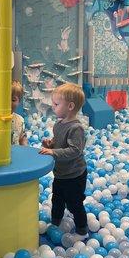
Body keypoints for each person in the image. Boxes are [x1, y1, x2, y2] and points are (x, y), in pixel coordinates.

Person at [40, 83, 88, 240]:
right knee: (57, 198)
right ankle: (55, 221)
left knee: (75, 203)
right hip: (61, 173)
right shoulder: (58, 124)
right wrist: (51, 144)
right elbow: (59, 141)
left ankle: (82, 229)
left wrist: (53, 152)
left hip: (74, 175)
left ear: (70, 106)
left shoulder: (76, 128)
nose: (53, 107)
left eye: (56, 104)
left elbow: (75, 150)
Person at [11, 80, 28, 145]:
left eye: (13, 100)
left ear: (19, 102)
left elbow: (22, 139)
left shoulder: (20, 120)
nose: (8, 103)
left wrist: (24, 149)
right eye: (5, 99)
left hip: (15, 153)